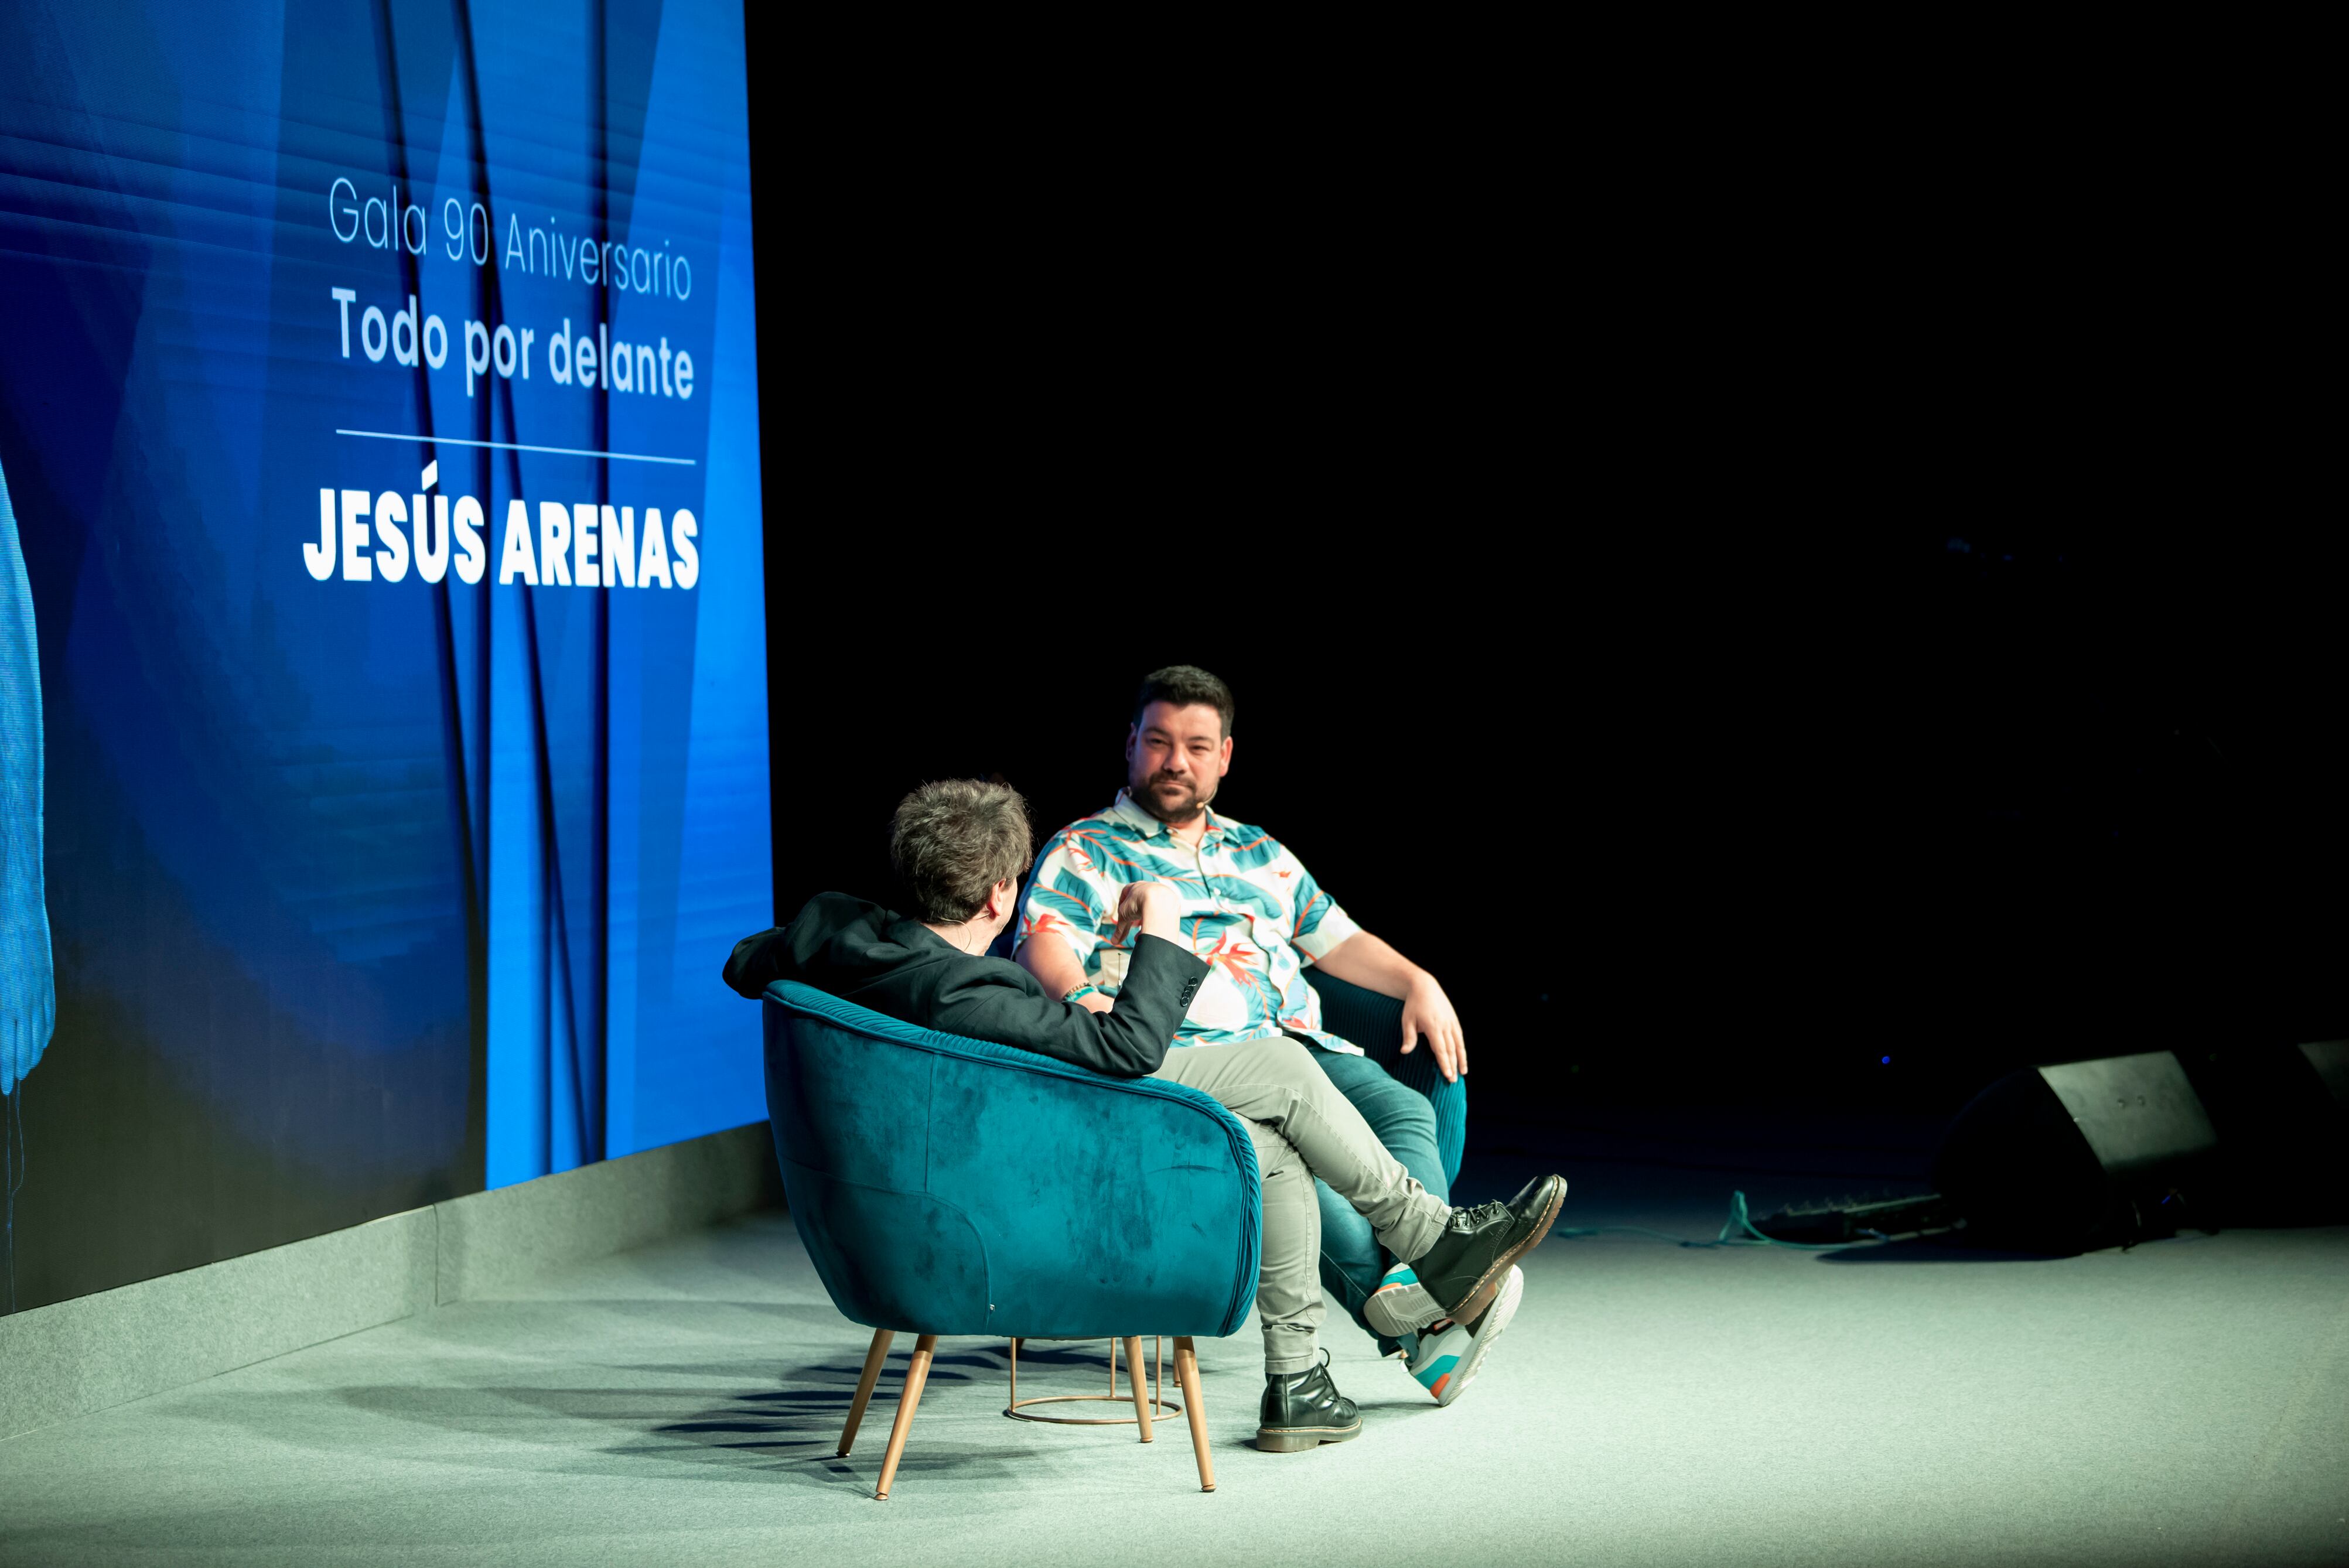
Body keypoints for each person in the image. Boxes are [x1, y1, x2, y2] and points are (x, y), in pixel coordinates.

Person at [725, 778, 1564, 1450]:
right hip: (1064, 1166)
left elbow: (745, 962)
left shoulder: (836, 928)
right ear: (999, 896)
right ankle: (1430, 1240)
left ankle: (1298, 1380)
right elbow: (1126, 1050)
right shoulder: (978, 995)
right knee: (1279, 1070)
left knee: (1265, 1139)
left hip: (996, 1143)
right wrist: (1161, 924)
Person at [1016, 664, 1511, 1400]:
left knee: (1404, 1108)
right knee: (1307, 1173)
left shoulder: (1259, 852)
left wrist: (1418, 981)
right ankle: (1426, 1323)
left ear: (1224, 756)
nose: (1175, 761)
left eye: (1195, 746)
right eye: (1157, 741)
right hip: (1199, 1061)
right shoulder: (1087, 848)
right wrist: (1082, 997)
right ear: (1130, 745)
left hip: (1300, 1045)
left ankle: (1418, 1285)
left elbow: (1335, 941)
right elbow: (1043, 940)